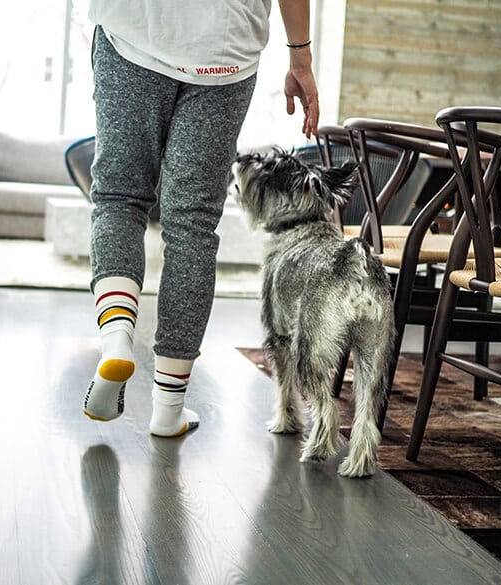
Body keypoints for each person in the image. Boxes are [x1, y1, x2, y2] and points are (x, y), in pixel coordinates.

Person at [82, 0, 320, 437]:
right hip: (225, 49)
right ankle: (168, 410)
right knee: (192, 225)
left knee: (120, 198)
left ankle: (116, 338)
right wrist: (300, 57)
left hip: (134, 28)